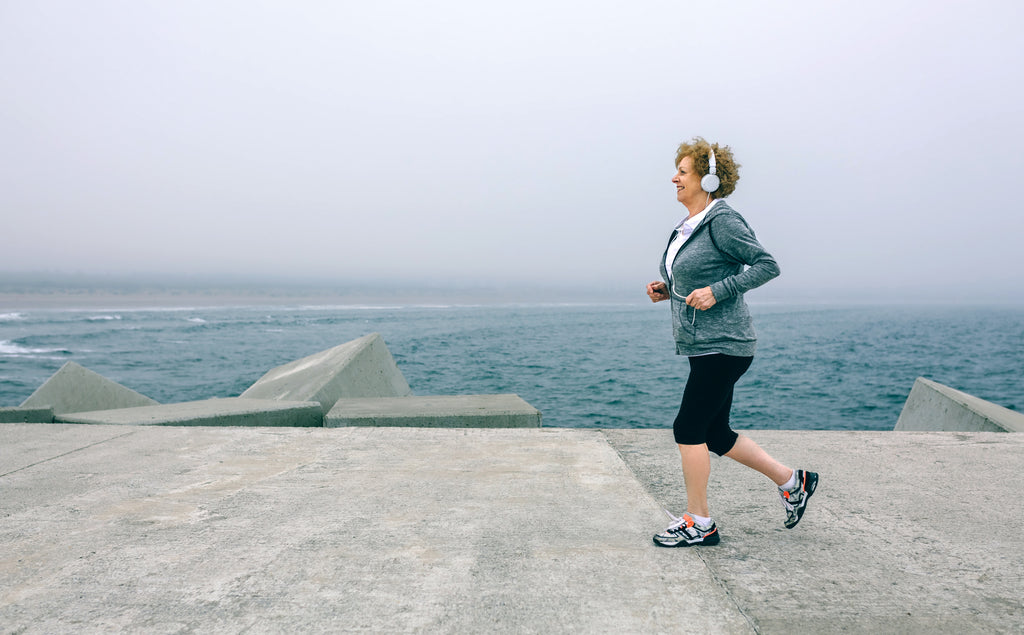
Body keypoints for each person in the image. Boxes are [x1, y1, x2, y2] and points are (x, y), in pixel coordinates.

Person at [646, 137, 817, 547]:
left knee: (688, 427)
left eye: (683, 172)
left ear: (706, 178)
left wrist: (718, 291)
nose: (674, 178)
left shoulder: (722, 219)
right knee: (716, 433)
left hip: (725, 344)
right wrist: (667, 288)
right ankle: (794, 481)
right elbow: (696, 276)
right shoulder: (688, 224)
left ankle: (699, 522)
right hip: (703, 343)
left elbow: (766, 265)